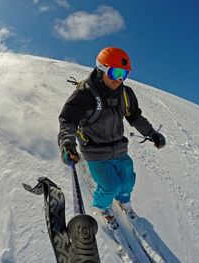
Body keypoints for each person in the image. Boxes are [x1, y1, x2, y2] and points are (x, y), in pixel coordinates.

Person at [57, 47, 166, 229]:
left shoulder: (125, 94)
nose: (119, 79)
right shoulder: (84, 94)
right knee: (110, 186)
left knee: (128, 180)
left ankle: (124, 201)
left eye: (125, 74)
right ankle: (103, 207)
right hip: (94, 149)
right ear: (101, 68)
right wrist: (67, 143)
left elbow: (135, 117)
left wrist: (152, 133)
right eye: (115, 72)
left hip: (118, 146)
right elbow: (68, 120)